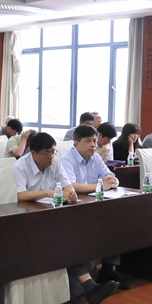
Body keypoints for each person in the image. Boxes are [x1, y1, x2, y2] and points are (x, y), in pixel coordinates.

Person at [11, 132, 115, 304]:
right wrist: (47, 192)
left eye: (53, 152)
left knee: (71, 235)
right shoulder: (20, 167)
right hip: (25, 219)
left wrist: (71, 194)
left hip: (50, 216)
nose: (51, 156)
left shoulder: (55, 161)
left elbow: (67, 185)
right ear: (33, 153)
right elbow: (19, 195)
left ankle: (89, 289)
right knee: (63, 240)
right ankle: (89, 288)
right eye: (47, 153)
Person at [61, 124, 128, 289]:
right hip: (75, 209)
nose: (93, 145)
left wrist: (113, 180)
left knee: (118, 223)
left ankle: (107, 270)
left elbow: (109, 175)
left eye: (95, 141)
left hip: (95, 205)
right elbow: (71, 186)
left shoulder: (96, 158)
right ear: (76, 142)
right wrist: (100, 186)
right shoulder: (66, 160)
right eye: (88, 141)